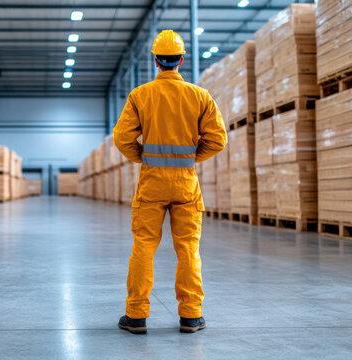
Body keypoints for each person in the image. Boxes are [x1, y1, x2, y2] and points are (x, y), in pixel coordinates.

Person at [113, 30, 227, 335]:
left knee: (143, 248)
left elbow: (122, 138)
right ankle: (191, 316)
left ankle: (136, 316)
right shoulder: (199, 96)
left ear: (155, 60)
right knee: (188, 248)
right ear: (181, 60)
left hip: (151, 183)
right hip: (185, 185)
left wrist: (143, 157)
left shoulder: (140, 95)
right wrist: (190, 158)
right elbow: (218, 140)